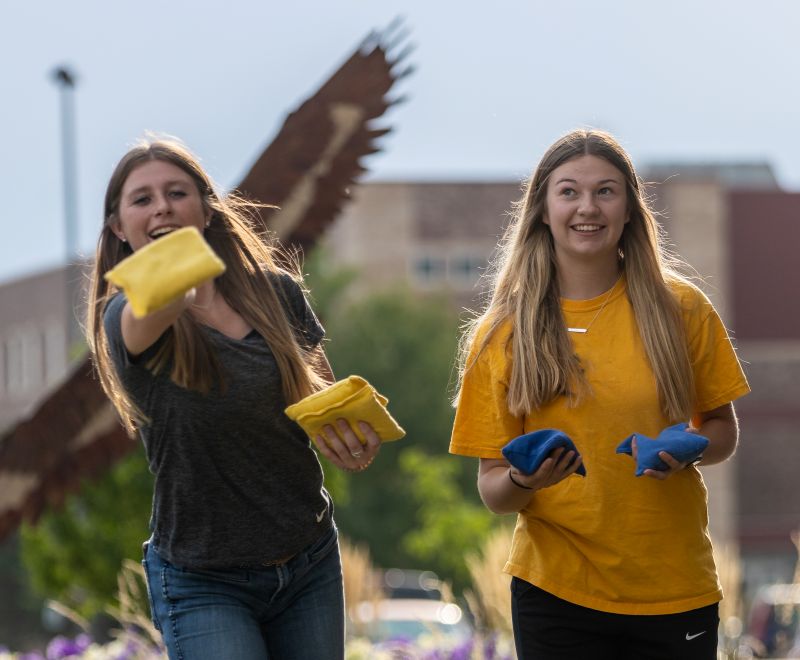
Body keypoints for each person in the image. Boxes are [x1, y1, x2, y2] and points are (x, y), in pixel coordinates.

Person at [449, 128, 750, 659]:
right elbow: (494, 490)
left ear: (630, 208)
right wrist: (526, 478)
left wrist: (688, 450)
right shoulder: (501, 333)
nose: (587, 207)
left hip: (674, 588)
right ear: (542, 208)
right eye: (569, 191)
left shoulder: (683, 308)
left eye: (605, 191)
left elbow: (722, 431)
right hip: (555, 590)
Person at [86, 136, 381, 660]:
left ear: (206, 208)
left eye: (177, 193)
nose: (162, 207)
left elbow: (322, 400)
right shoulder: (126, 317)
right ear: (118, 227)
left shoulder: (276, 292)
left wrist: (350, 435)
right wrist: (182, 260)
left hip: (308, 558)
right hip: (202, 579)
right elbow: (162, 300)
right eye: (142, 199)